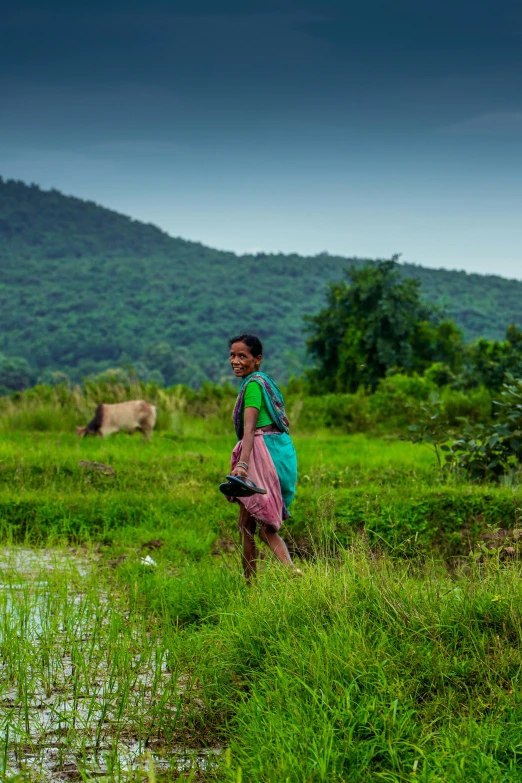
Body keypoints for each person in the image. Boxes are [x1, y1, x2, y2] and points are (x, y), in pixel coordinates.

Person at [226, 333, 300, 582]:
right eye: (232, 355)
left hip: (262, 455)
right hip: (281, 452)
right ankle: (292, 573)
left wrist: (242, 464)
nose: (235, 360)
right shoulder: (265, 383)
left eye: (242, 356)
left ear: (257, 359)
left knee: (246, 525)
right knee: (264, 527)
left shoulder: (254, 386)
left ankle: (251, 587)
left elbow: (249, 429)